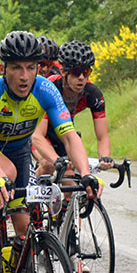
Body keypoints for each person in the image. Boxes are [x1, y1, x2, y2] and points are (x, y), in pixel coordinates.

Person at [0, 30, 102, 273]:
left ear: (39, 68)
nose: (24, 76)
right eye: (16, 67)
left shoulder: (45, 90)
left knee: (25, 228)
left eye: (30, 67)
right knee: (6, 173)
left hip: (19, 153)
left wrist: (85, 174)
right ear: (2, 69)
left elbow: (69, 136)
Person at [32, 40, 114, 175]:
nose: (81, 78)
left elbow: (102, 136)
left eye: (86, 72)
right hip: (38, 133)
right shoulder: (50, 88)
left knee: (72, 179)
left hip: (64, 132)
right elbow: (38, 136)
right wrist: (56, 160)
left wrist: (104, 158)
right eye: (76, 72)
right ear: (63, 71)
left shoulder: (92, 93)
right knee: (48, 165)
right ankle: (31, 187)